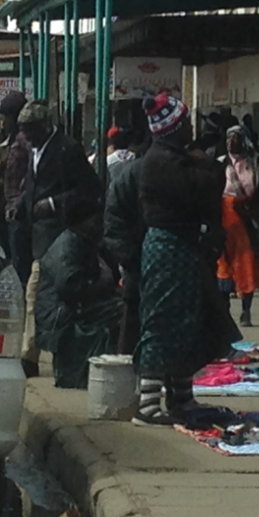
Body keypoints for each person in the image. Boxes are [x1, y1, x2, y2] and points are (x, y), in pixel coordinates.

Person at [135, 93, 239, 426]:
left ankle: (181, 395)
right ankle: (148, 403)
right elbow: (206, 186)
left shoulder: (175, 157)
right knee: (163, 322)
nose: (191, 129)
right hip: (168, 248)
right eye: (186, 123)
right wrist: (208, 163)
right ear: (174, 128)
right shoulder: (161, 162)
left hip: (184, 248)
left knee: (186, 324)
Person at [18, 100, 101, 379]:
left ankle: (43, 355)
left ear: (44, 126)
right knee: (36, 298)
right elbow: (33, 186)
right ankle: (31, 355)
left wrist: (54, 203)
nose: (26, 136)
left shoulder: (68, 149)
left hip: (63, 238)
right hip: (39, 239)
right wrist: (20, 206)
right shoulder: (34, 151)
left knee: (44, 297)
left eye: (30, 130)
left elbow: (89, 190)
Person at [35, 199, 124, 389]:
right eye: (97, 220)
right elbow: (71, 289)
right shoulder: (68, 247)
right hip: (62, 313)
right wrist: (103, 286)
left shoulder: (88, 243)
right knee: (123, 311)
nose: (101, 225)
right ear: (84, 221)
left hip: (77, 304)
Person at [217, 125, 259, 327]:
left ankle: (246, 310)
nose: (231, 142)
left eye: (236, 138)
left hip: (248, 220)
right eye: (229, 138)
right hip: (224, 219)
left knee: (248, 265)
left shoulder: (255, 163)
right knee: (223, 266)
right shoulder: (220, 164)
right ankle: (224, 310)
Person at [103, 139, 147, 360]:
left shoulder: (126, 172)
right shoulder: (135, 174)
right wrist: (130, 259)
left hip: (140, 261)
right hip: (139, 262)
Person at [0, 92, 33, 290]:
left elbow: (27, 176)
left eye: (5, 118)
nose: (2, 123)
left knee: (20, 267)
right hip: (12, 207)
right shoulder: (14, 140)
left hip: (19, 211)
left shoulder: (23, 141)